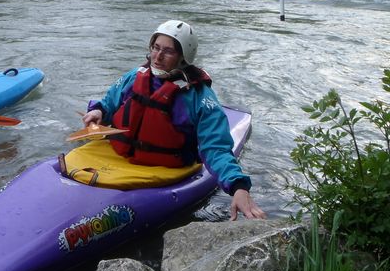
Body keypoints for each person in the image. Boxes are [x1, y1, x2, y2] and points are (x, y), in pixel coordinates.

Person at [81, 20, 266, 220]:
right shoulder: (135, 76)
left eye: (168, 51)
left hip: (164, 172)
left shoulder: (199, 97)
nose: (157, 56)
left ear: (183, 57)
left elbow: (216, 148)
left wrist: (238, 187)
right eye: (155, 48)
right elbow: (110, 101)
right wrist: (99, 111)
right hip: (117, 159)